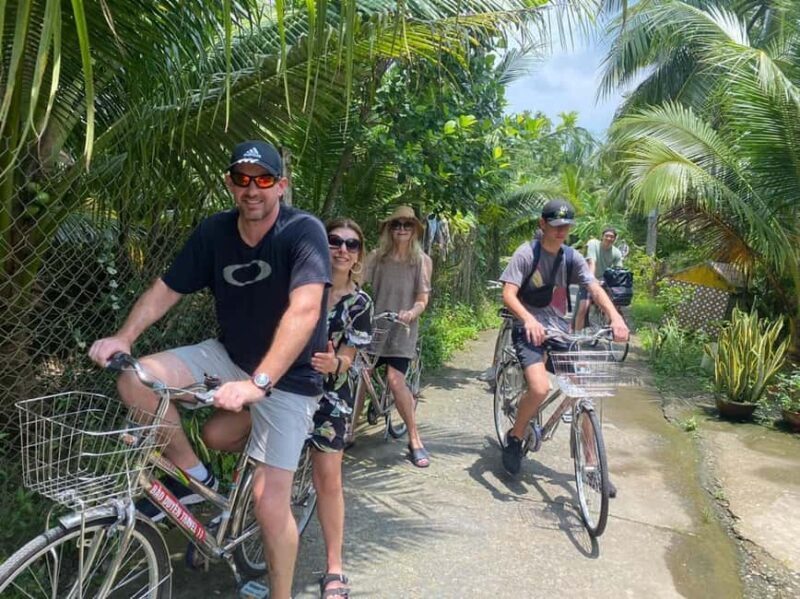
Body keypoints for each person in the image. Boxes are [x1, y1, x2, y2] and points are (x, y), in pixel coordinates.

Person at [88, 140, 330, 599]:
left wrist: (259, 383)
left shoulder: (304, 231)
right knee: (135, 378)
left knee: (268, 502)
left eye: (263, 180)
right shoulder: (214, 232)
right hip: (229, 356)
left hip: (291, 378)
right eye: (242, 179)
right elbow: (166, 289)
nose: (252, 189)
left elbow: (304, 311)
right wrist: (124, 338)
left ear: (281, 186)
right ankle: (196, 480)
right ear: (230, 184)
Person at [203, 217, 371, 599]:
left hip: (330, 397)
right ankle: (235, 512)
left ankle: (334, 568)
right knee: (218, 434)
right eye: (334, 241)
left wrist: (337, 364)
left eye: (352, 244)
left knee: (327, 477)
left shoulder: (360, 303)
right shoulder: (292, 283)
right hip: (277, 387)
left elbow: (350, 354)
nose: (342, 250)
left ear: (359, 254)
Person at [499, 200, 629, 487]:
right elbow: (508, 294)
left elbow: (593, 287)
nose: (561, 232)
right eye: (556, 226)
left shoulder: (571, 257)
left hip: (559, 331)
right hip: (527, 329)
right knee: (540, 387)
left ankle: (592, 466)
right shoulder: (526, 253)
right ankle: (515, 436)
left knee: (583, 389)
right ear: (542, 224)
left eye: (566, 227)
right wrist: (528, 320)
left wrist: (615, 317)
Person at [364, 206, 433, 468]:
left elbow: (422, 298)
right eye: (396, 225)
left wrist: (412, 312)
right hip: (375, 325)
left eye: (406, 225)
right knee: (361, 375)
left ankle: (414, 438)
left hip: (403, 328)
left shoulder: (422, 261)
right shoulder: (376, 257)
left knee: (395, 380)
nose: (401, 229)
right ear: (388, 229)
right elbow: (355, 282)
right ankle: (347, 432)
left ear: (414, 229)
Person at [574, 227, 623, 331]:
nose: (609, 238)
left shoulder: (617, 252)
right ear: (602, 236)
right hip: (588, 279)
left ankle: (608, 328)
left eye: (612, 237)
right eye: (607, 236)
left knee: (613, 305)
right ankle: (576, 335)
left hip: (603, 281)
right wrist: (592, 279)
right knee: (583, 307)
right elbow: (592, 262)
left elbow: (619, 270)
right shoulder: (593, 244)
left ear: (615, 239)